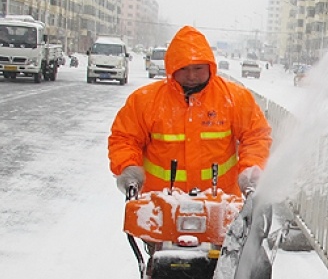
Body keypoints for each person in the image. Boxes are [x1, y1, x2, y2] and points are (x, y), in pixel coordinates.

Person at [108, 26, 272, 197]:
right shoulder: (144, 100)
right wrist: (128, 167)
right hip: (159, 206)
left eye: (198, 68)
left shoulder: (234, 98)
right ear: (172, 68)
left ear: (210, 67)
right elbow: (124, 139)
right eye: (184, 68)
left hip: (220, 204)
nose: (192, 76)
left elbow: (256, 136)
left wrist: (251, 169)